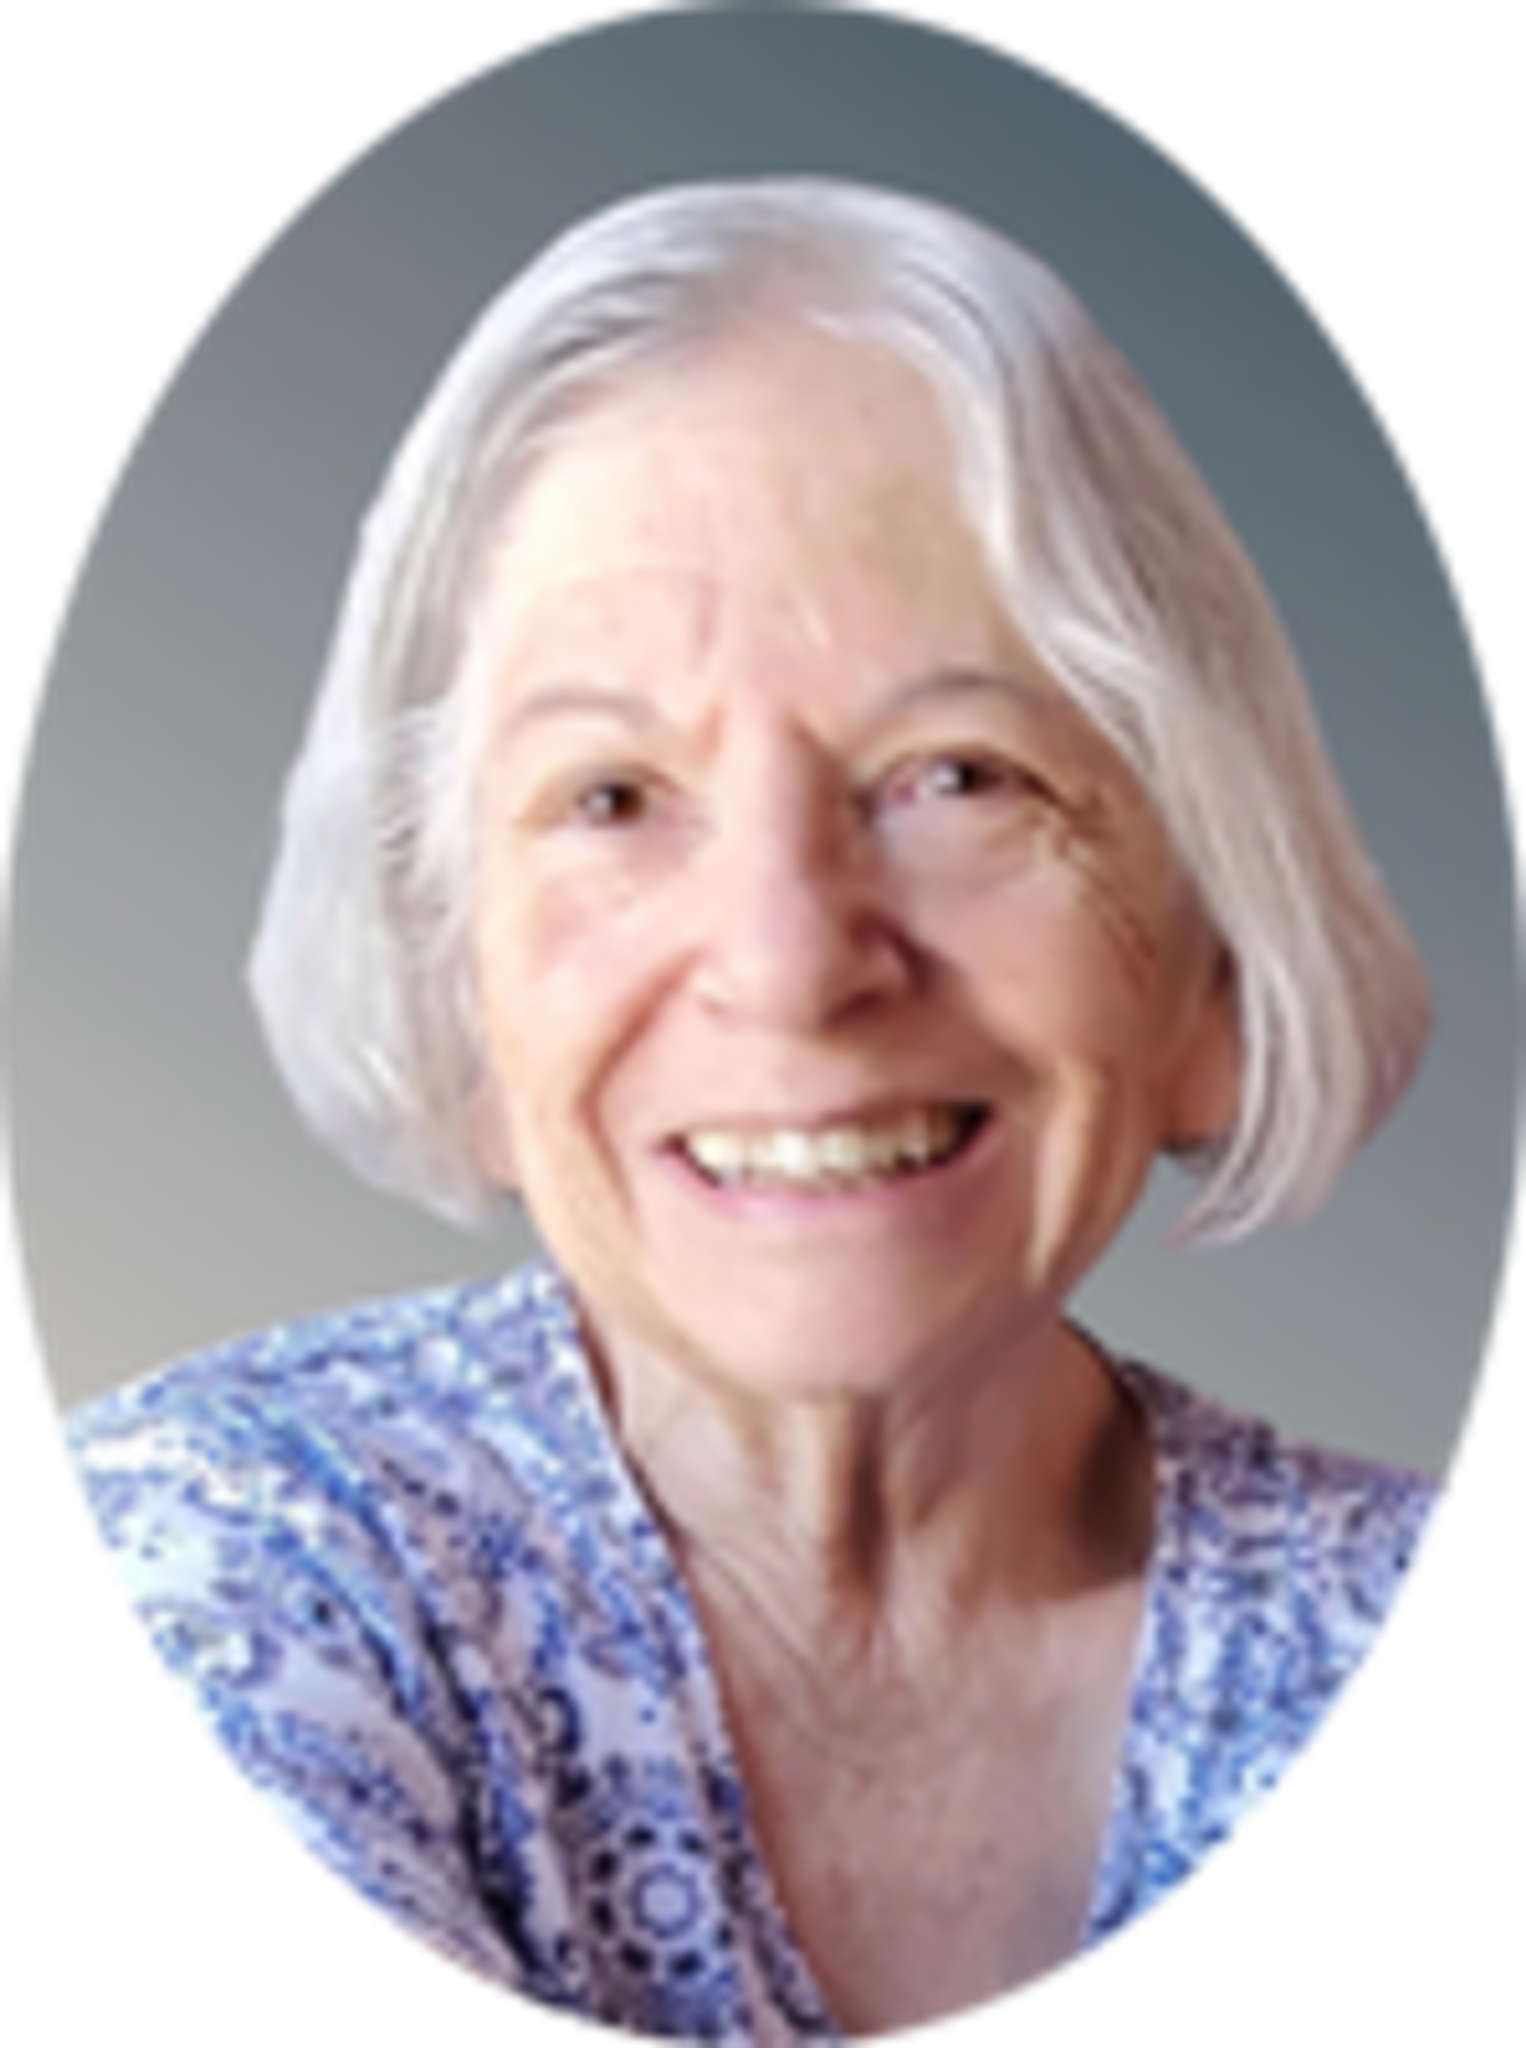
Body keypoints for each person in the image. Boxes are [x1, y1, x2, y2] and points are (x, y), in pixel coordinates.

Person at [57, 179, 1448, 2045]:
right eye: (612, 799)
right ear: (458, 999)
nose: (790, 963)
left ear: (1213, 953)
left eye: (958, 776)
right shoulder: (228, 1566)